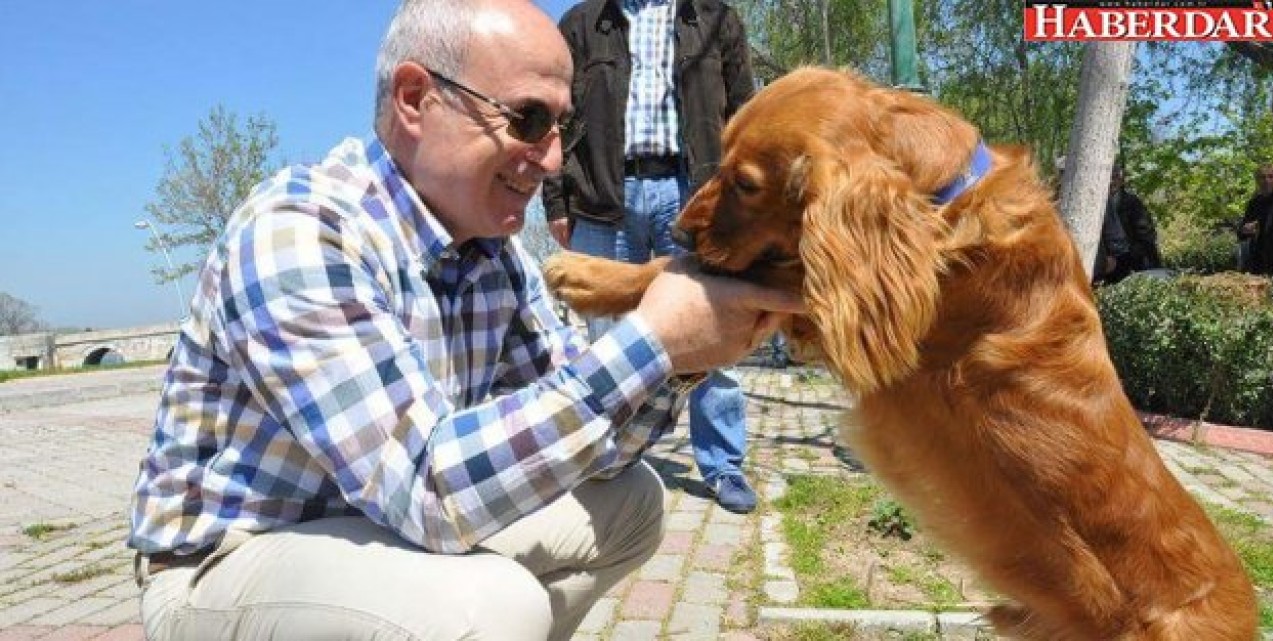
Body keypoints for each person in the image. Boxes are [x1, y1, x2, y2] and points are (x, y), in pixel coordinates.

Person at [125, 2, 802, 640]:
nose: (555, 158)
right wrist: (649, 339)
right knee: (490, 605)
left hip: (382, 525)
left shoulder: (493, 257)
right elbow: (429, 489)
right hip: (226, 564)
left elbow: (601, 447)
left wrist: (682, 357)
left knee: (633, 502)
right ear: (417, 98)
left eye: (562, 126)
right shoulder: (302, 231)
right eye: (529, 119)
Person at [541, 0, 761, 514]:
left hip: (694, 194)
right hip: (602, 197)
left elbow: (749, 117)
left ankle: (724, 462)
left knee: (716, 324)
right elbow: (554, 113)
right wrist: (557, 199)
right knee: (605, 339)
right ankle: (605, 461)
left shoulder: (714, 19)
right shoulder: (581, 22)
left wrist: (746, 207)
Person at [1096, 164, 1162, 284]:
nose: (1112, 181)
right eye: (1108, 177)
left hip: (1135, 259)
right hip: (1108, 262)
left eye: (1115, 177)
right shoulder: (1096, 203)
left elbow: (1146, 233)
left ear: (1121, 180)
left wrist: (1130, 256)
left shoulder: (1132, 202)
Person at [1239, 163, 1273, 280]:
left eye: (1271, 176)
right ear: (1257, 180)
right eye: (1262, 177)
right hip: (1259, 265)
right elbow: (1241, 233)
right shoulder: (1254, 203)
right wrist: (1245, 229)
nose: (1266, 180)